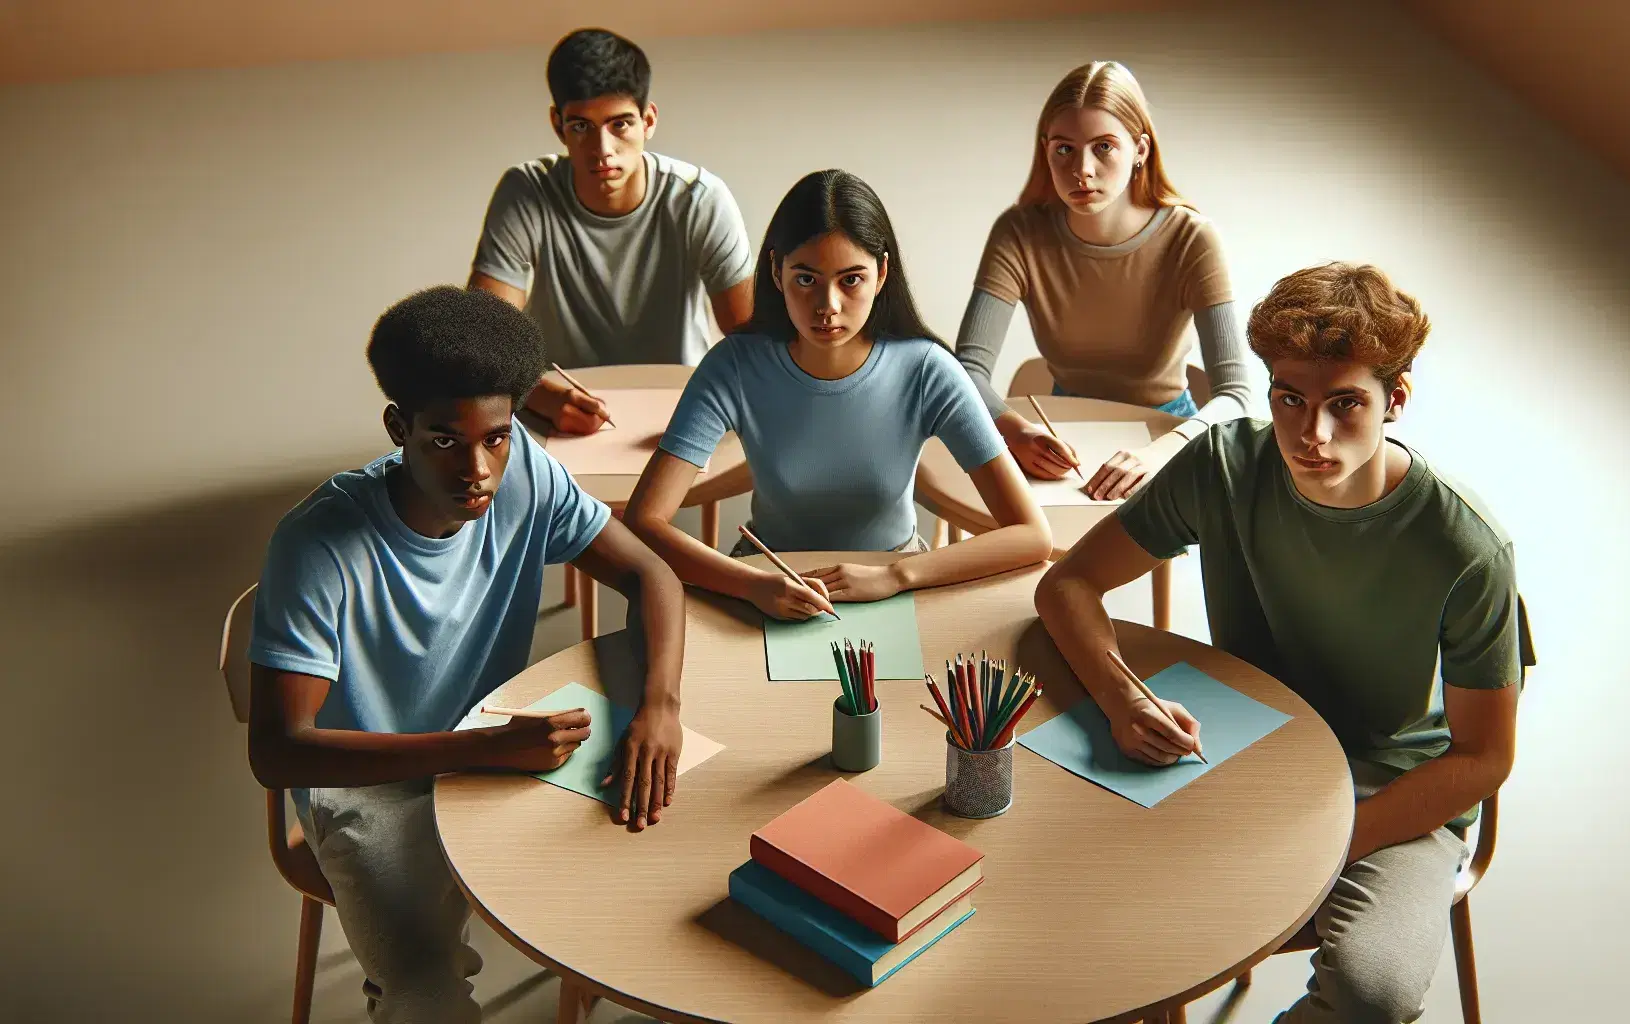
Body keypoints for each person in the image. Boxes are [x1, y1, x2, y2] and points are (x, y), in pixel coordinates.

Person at [1034, 263, 1521, 1023]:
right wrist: (1124, 698)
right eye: (1289, 400)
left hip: (1388, 790)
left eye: (1344, 404)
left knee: (1374, 991)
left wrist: (1332, 842)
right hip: (1238, 751)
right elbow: (1067, 585)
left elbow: (1485, 756)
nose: (1311, 435)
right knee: (1085, 922)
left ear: (1397, 399)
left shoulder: (1465, 545)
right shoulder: (1225, 464)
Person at [246, 286, 687, 1023]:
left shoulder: (528, 476)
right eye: (445, 440)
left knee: (664, 883)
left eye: (498, 436)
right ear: (399, 427)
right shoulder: (316, 545)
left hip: (497, 754)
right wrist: (477, 751)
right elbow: (279, 753)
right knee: (426, 999)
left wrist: (661, 708)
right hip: (369, 788)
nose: (479, 469)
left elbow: (653, 575)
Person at [623, 170, 1053, 619]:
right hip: (766, 582)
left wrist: (896, 575)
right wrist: (752, 584)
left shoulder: (927, 369)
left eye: (851, 280)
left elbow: (1030, 534)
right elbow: (645, 520)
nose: (827, 305)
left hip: (896, 588)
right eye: (806, 280)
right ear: (776, 270)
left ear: (882, 273)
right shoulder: (733, 365)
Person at [953, 60, 1255, 502]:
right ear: (1045, 150)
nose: (1083, 169)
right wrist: (1014, 429)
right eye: (1064, 149)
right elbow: (967, 370)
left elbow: (1237, 394)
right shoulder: (1019, 232)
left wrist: (1156, 455)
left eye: (1104, 147)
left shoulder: (1193, 239)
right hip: (1061, 430)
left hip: (1167, 432)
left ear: (1140, 150)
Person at [469, 27, 756, 436]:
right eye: (582, 127)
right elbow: (484, 335)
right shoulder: (526, 192)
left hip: (682, 399)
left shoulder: (700, 199)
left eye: (620, 124)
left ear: (648, 120)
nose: (602, 150)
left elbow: (751, 339)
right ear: (558, 125)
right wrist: (543, 396)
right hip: (557, 400)